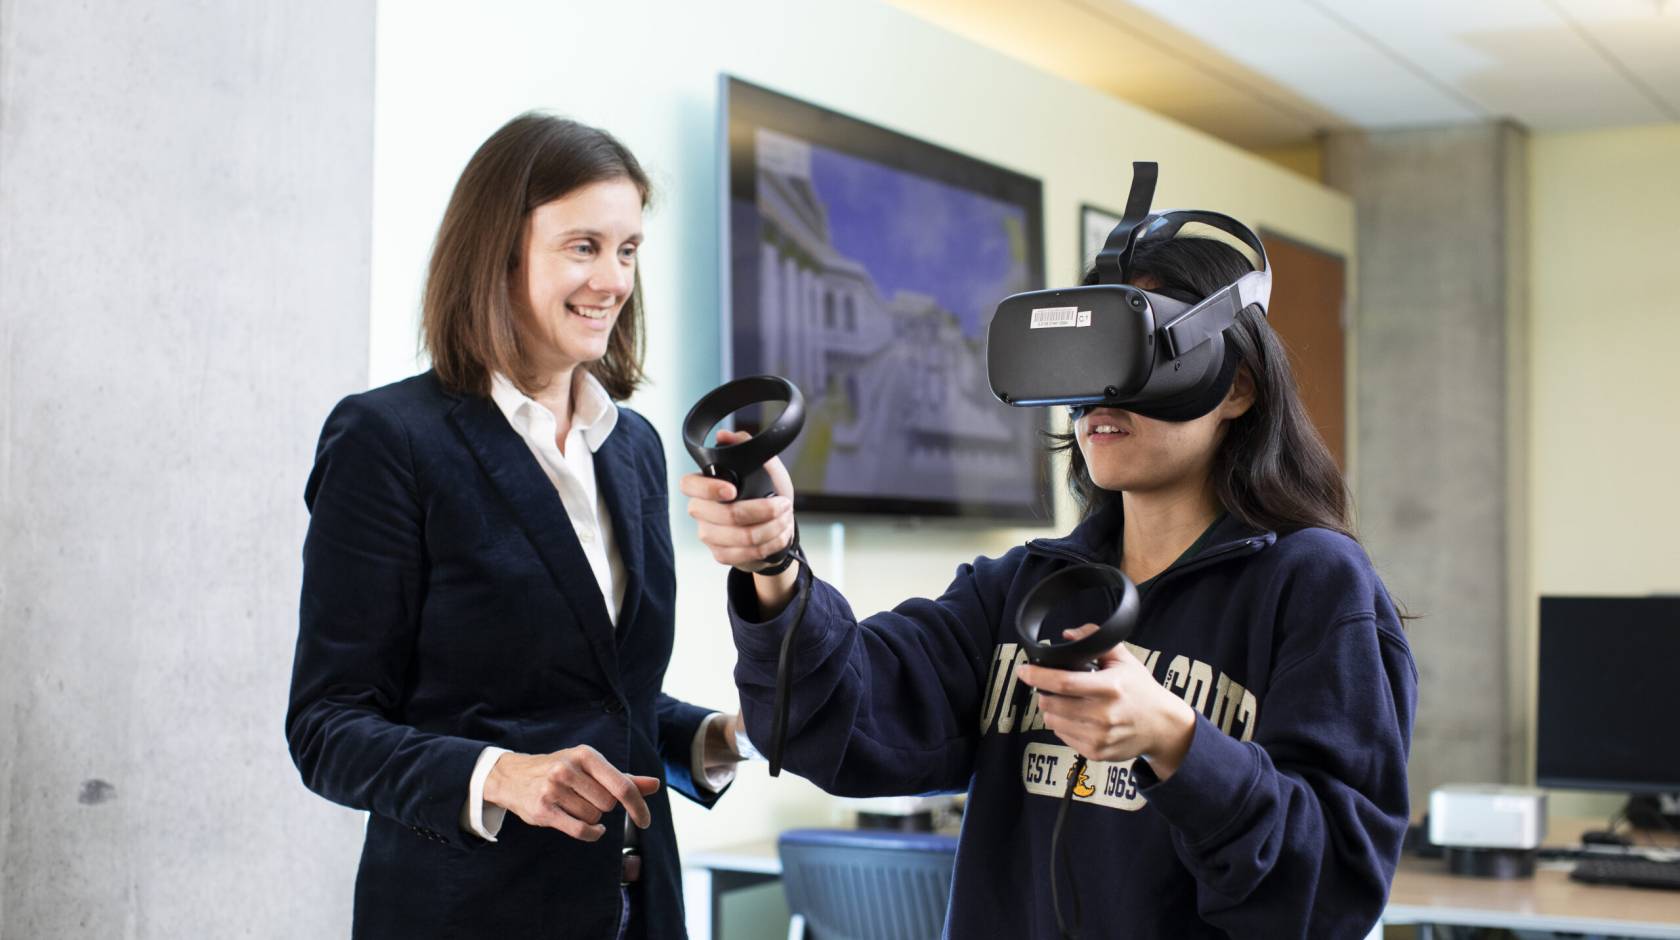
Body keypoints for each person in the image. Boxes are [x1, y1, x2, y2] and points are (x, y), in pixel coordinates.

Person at [682, 235, 1418, 939]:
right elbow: (833, 725)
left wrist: (1178, 743)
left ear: (1237, 387)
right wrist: (774, 564)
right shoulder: (1023, 590)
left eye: (1131, 354)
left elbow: (1332, 894)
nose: (1098, 395)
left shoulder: (1316, 585)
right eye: (1079, 359)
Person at [287, 113, 747, 940]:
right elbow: (328, 728)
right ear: (498, 252)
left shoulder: (632, 447)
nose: (613, 279)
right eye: (583, 246)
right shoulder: (390, 440)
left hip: (642, 912)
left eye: (628, 249)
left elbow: (603, 694)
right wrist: (500, 777)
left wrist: (715, 737)